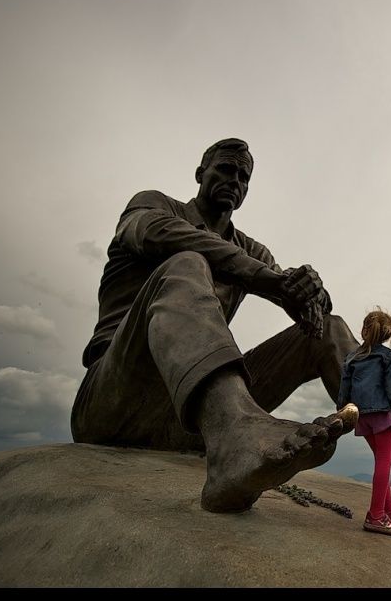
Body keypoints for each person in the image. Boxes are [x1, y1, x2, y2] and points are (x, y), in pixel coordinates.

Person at [71, 138, 361, 513]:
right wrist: (264, 277)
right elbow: (152, 233)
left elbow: (304, 304)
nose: (234, 181)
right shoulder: (155, 205)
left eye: (243, 176)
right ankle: (236, 435)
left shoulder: (250, 250)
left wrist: (312, 293)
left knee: (332, 329)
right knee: (187, 262)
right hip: (115, 404)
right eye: (224, 169)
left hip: (186, 422)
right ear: (200, 173)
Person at [337, 309, 391, 536]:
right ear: (386, 335)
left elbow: (344, 389)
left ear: (364, 330)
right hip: (382, 414)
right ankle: (375, 515)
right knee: (385, 461)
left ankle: (390, 512)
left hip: (361, 416)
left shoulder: (351, 358)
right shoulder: (388, 357)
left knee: (381, 460)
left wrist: (342, 411)